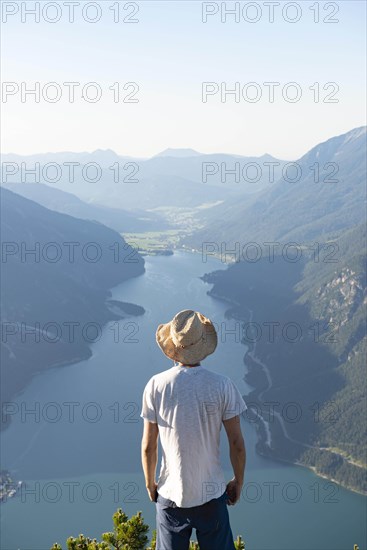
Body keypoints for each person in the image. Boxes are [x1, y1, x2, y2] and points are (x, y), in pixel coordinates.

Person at [140, 309, 247, 550]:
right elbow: (237, 444)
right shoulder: (222, 385)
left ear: (174, 348)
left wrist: (150, 484)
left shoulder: (156, 385)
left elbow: (149, 446)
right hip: (211, 496)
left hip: (170, 496)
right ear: (203, 346)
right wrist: (238, 481)